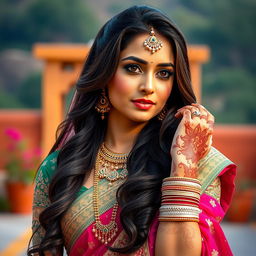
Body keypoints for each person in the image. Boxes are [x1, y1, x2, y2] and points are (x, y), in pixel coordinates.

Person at [27, 5, 236, 256]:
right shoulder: (59, 169)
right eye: (133, 68)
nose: (148, 86)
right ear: (104, 73)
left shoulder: (196, 164)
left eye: (163, 73)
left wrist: (183, 166)